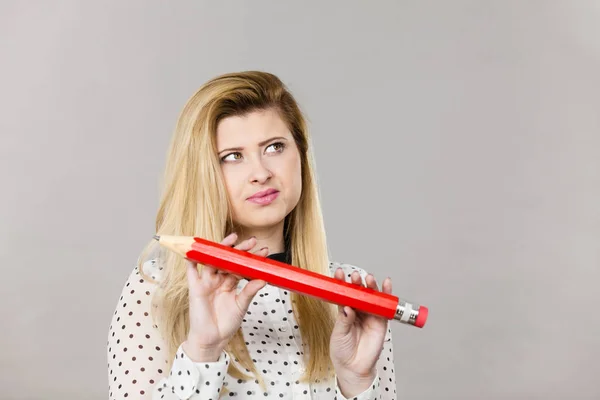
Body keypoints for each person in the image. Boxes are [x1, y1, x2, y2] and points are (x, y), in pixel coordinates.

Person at [107, 71, 398, 399]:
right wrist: (203, 351)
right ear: (203, 174)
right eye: (232, 157)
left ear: (301, 156)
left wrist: (357, 383)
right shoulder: (157, 290)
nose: (261, 173)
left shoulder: (350, 297)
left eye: (274, 147)